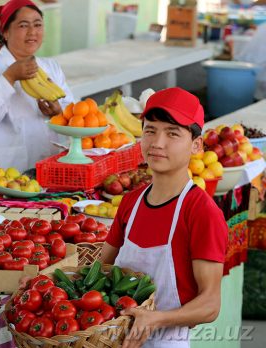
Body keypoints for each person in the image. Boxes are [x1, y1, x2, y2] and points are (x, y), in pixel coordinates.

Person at [100, 87, 228, 348]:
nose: (157, 143)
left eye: (172, 133)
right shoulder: (130, 203)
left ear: (196, 145)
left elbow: (210, 304)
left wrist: (156, 319)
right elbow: (99, 270)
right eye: (150, 131)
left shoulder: (201, 211)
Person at [0, 0, 74, 197]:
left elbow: (73, 113)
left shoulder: (50, 67)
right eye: (23, 25)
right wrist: (9, 77)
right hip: (2, 176)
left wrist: (58, 111)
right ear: (5, 32)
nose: (32, 32)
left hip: (45, 173)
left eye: (38, 24)